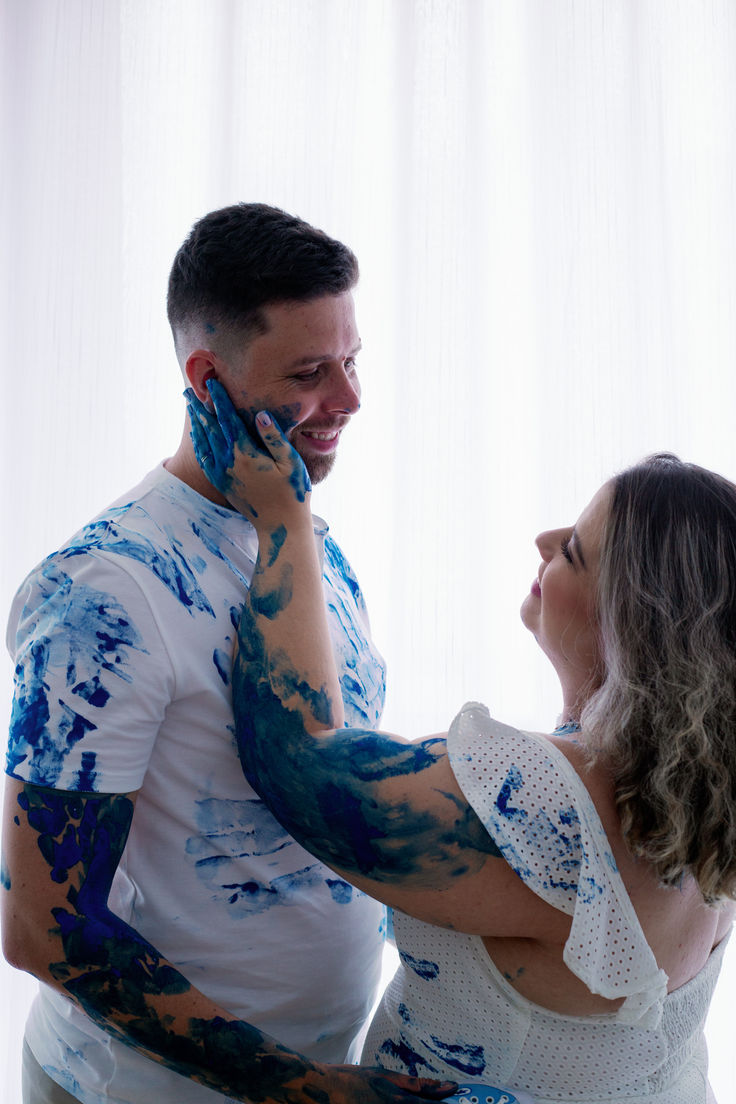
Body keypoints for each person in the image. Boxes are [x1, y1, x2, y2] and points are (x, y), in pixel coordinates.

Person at [1, 203, 457, 1104]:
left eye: (353, 361)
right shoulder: (104, 591)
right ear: (206, 378)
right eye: (312, 372)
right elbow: (40, 924)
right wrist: (302, 1088)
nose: (352, 399)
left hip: (314, 1065)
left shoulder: (303, 538)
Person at [186, 388, 736, 1104]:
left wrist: (284, 517)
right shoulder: (703, 792)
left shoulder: (550, 809)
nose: (544, 541)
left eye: (572, 549)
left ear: (628, 628)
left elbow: (294, 759)